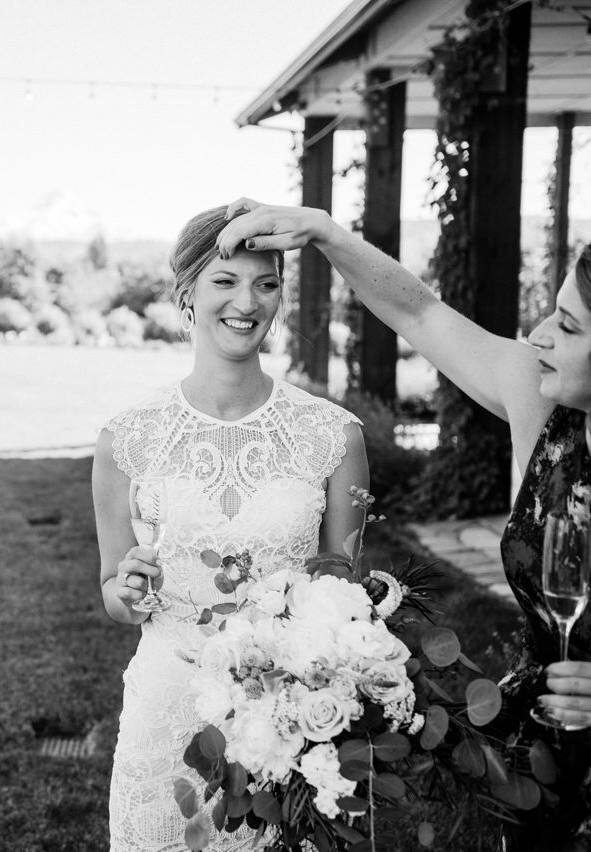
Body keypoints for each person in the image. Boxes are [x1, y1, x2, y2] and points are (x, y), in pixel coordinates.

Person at [217, 198, 591, 849]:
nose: (538, 335)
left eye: (568, 325)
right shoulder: (544, 403)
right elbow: (419, 310)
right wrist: (324, 232)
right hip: (539, 750)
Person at [92, 206, 369, 851]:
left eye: (266, 283)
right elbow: (112, 590)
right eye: (225, 280)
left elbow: (344, 595)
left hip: (282, 722)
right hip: (166, 712)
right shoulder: (125, 440)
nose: (246, 301)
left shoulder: (334, 436)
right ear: (187, 291)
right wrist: (127, 593)